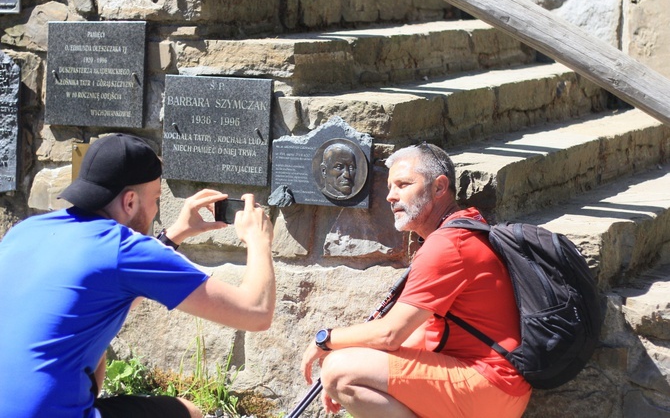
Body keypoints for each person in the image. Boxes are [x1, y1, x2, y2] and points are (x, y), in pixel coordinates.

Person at [0, 133, 275, 418]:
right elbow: (255, 313)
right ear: (130, 202)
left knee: (95, 348)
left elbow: (112, 294)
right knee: (187, 412)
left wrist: (175, 233)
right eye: (155, 199)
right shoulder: (123, 249)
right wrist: (258, 240)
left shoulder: (25, 230)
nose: (156, 209)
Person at [300, 142, 532, 417]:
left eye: (403, 184)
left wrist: (326, 339)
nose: (391, 196)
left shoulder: (447, 246)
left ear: (439, 187)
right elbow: (420, 332)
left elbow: (389, 334)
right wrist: (359, 360)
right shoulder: (464, 227)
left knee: (340, 372)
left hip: (488, 386)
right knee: (342, 367)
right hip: (499, 387)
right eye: (389, 186)